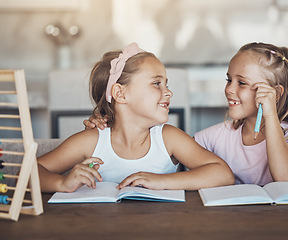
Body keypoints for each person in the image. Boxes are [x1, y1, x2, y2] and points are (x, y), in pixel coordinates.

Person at [84, 42, 288, 186]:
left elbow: (286, 178)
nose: (229, 89)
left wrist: (270, 116)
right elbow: (161, 151)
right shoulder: (213, 137)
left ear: (275, 93)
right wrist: (111, 126)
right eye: (229, 80)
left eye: (242, 83)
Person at [38, 42, 234, 193]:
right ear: (121, 94)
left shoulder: (168, 138)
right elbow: (29, 172)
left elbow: (223, 174)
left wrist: (160, 181)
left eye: (166, 84)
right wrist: (62, 183)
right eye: (157, 83)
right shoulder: (90, 140)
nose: (168, 93)